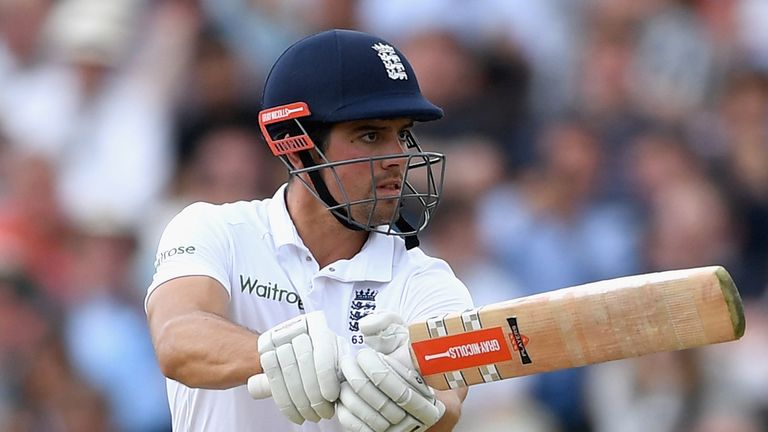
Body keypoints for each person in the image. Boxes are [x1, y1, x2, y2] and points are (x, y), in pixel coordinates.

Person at [145, 29, 473, 431]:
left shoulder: (427, 281)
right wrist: (281, 355)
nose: (398, 158)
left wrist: (411, 404)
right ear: (296, 146)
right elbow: (178, 339)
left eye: (402, 134)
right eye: (371, 135)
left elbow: (448, 401)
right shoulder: (214, 230)